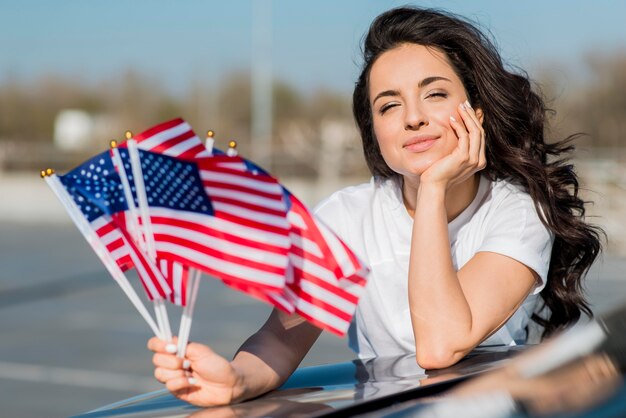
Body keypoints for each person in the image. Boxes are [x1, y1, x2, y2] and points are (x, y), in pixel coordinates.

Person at [148, 6, 602, 407]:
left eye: (435, 93)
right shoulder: (345, 216)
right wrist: (235, 380)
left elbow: (440, 346)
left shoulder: (517, 212)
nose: (413, 117)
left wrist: (432, 190)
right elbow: (281, 338)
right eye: (389, 105)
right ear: (375, 131)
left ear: (477, 113)